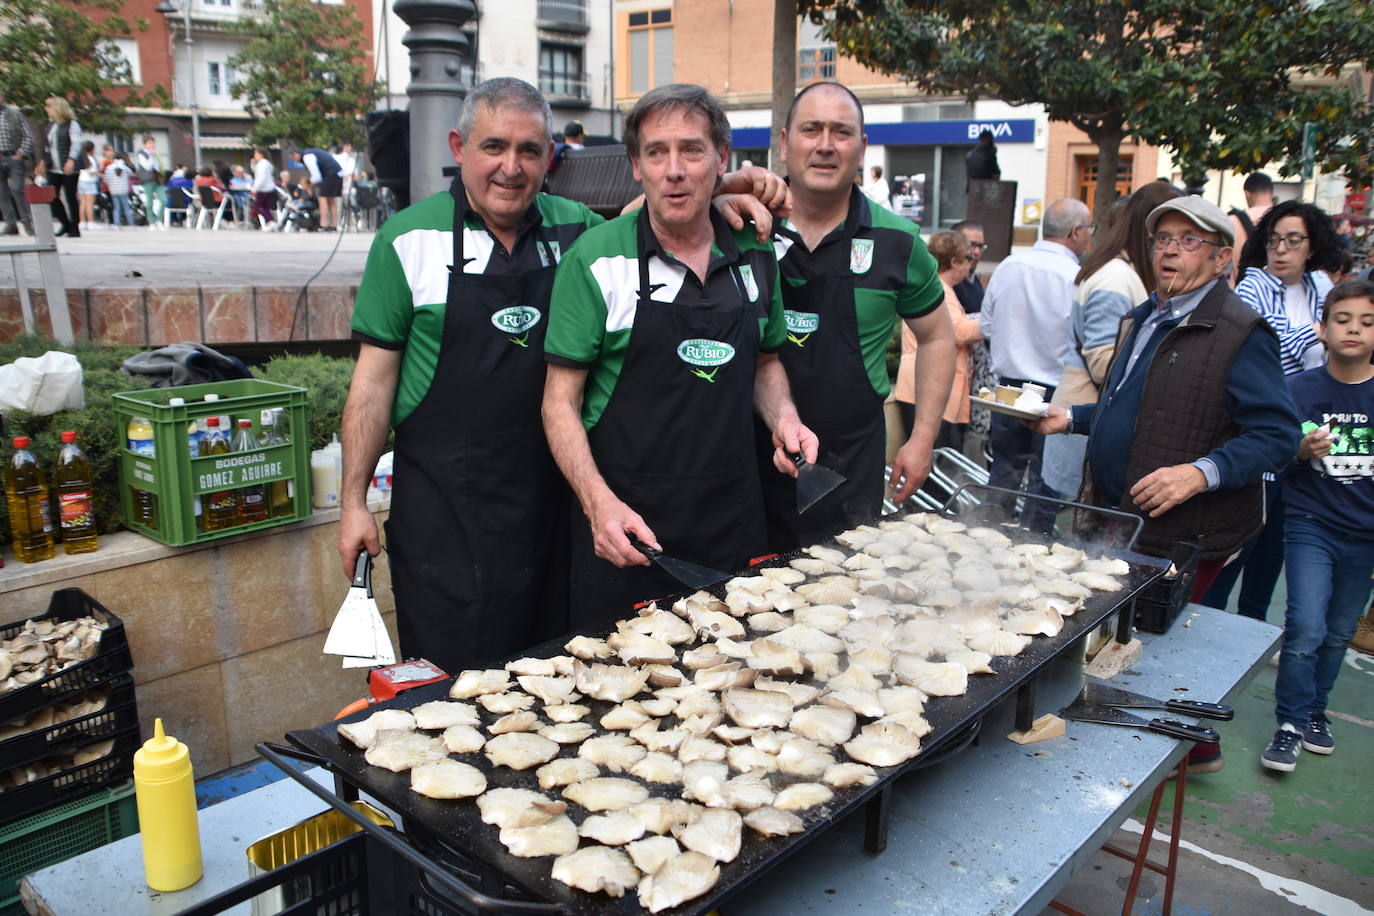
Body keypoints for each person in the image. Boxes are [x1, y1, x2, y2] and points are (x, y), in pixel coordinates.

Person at [341, 77, 786, 671]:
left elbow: (655, 208)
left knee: (562, 672)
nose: (511, 167)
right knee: (456, 683)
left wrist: (723, 190)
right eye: (493, 147)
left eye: (530, 150)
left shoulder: (573, 225)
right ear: (458, 147)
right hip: (452, 515)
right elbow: (372, 385)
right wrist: (353, 501)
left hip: (558, 505)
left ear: (550, 157)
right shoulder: (407, 240)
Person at [1034, 196, 1301, 775]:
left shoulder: (1240, 331)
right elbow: (1133, 403)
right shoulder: (1148, 314)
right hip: (1119, 514)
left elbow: (1277, 436)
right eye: (1162, 240)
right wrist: (1076, 419)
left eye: (1188, 241)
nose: (1170, 251)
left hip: (1186, 528)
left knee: (1165, 647)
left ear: (1223, 257)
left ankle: (1193, 749)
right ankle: (1144, 745)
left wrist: (1198, 473)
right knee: (1118, 640)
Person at [543, 83, 815, 628]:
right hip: (628, 534)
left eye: (692, 150)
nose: (674, 169)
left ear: (721, 160)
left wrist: (785, 418)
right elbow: (558, 403)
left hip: (733, 526)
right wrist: (598, 505)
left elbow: (765, 362)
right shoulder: (594, 261)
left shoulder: (755, 253)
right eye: (656, 152)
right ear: (635, 166)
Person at [761, 81, 952, 549]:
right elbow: (644, 215)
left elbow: (938, 337)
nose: (825, 145)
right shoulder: (743, 227)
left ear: (862, 148)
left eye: (841, 132)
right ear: (784, 145)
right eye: (811, 129)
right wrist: (722, 190)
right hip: (747, 454)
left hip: (850, 465)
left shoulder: (898, 242)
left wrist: (922, 437)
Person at [1200, 201, 1343, 620]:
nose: (1281, 249)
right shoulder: (1253, 285)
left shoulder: (1320, 284)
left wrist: (1324, 336)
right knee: (1237, 546)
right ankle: (1206, 627)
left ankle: (1255, 630)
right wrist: (1317, 333)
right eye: (1275, 240)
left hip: (1308, 434)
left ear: (1312, 245)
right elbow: (1268, 339)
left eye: (1293, 241)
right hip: (1259, 431)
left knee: (1273, 553)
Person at [1260, 280, 1374, 772]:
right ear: (1322, 329)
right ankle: (1288, 723)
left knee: (1339, 631)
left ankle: (1314, 712)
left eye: (1367, 323)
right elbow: (1274, 458)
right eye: (1343, 319)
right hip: (1311, 523)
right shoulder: (1298, 391)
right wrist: (1300, 451)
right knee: (1305, 624)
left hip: (1366, 534)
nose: (1354, 330)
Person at [1042, 182, 1183, 499]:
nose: (1173, 247)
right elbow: (1105, 365)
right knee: (1057, 536)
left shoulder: (1120, 271)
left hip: (1086, 417)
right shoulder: (1116, 279)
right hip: (1085, 419)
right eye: (1167, 235)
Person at [979, 197, 1093, 531]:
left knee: (1003, 473)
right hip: (1055, 390)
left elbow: (986, 326)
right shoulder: (1076, 277)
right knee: (1045, 484)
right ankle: (1032, 552)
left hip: (1008, 388)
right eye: (1089, 229)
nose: (1090, 237)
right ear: (1075, 232)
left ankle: (986, 543)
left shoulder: (1009, 266)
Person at [895, 229, 980, 450]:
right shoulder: (938, 290)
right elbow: (959, 332)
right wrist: (993, 322)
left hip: (925, 385)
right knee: (933, 463)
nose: (971, 264)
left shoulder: (942, 288)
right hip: (925, 386)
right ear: (954, 261)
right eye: (968, 258)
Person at [38, 97, 81, 238]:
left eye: (48, 106)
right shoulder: (51, 126)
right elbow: (47, 147)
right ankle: (65, 223)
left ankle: (74, 227)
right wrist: (43, 162)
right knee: (51, 196)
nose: (46, 109)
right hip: (53, 167)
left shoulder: (72, 124)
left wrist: (71, 160)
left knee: (70, 197)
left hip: (68, 167)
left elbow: (76, 144)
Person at [0, 86, 35, 236]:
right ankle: (10, 224)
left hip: (13, 157)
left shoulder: (15, 114)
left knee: (17, 189)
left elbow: (28, 136)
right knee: (1, 193)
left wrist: (20, 154)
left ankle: (27, 223)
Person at [290, 146, 343, 230]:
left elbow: (316, 176)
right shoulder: (311, 152)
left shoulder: (307, 156)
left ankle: (323, 224)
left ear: (296, 154)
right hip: (338, 173)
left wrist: (308, 184)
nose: (294, 160)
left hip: (329, 174)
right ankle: (333, 224)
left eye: (293, 158)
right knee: (331, 201)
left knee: (322, 199)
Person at [1228, 171, 1274, 257]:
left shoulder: (1233, 221)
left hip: (1243, 270)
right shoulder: (1284, 218)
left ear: (1247, 194)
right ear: (1272, 193)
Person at [135, 136, 166, 229]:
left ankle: (158, 220)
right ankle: (151, 222)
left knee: (163, 200)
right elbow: (147, 166)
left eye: (152, 143)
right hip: (147, 180)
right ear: (145, 144)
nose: (151, 145)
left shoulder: (156, 153)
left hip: (157, 180)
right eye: (149, 143)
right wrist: (150, 156)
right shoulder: (141, 154)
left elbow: (159, 166)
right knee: (149, 202)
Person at [102, 153, 135, 230]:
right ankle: (132, 224)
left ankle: (117, 224)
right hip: (123, 190)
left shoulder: (109, 168)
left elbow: (106, 180)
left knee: (116, 208)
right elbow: (131, 173)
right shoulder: (124, 167)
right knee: (126, 207)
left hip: (113, 191)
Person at [75, 140, 99, 231]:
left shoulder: (80, 158)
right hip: (89, 182)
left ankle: (82, 222)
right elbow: (92, 171)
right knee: (90, 203)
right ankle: (91, 222)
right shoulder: (91, 159)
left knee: (83, 203)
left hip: (81, 181)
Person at [250, 147, 276, 228]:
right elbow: (256, 172)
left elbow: (260, 177)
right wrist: (253, 164)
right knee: (264, 207)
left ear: (260, 154)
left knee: (257, 208)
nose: (254, 155)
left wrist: (254, 189)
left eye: (255, 154)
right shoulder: (267, 164)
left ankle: (270, 222)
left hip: (263, 189)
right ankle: (270, 221)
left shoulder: (262, 164)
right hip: (269, 188)